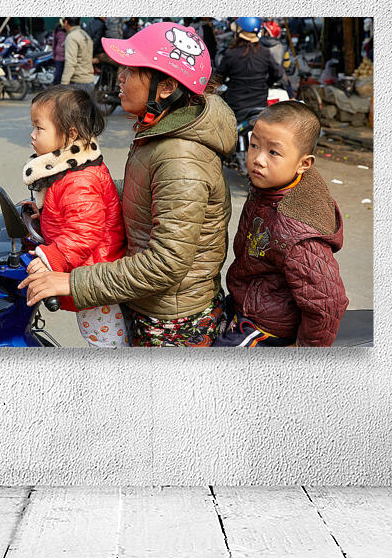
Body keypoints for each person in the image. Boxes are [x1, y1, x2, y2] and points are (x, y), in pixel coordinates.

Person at [20, 21, 237, 347]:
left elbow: (165, 264)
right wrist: (66, 201)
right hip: (147, 302)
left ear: (165, 87)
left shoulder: (181, 158)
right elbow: (144, 195)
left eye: (132, 70)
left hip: (171, 322)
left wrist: (72, 282)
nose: (119, 77)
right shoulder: (160, 134)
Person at [215, 101, 348, 347]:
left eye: (273, 152)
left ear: (303, 164)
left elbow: (327, 301)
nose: (258, 159)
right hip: (247, 300)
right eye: (254, 145)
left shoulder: (296, 228)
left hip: (268, 324)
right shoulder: (270, 188)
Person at [23, 86, 129, 347]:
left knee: (107, 344)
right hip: (88, 269)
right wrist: (44, 213)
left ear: (70, 134)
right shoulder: (71, 171)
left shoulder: (80, 180)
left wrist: (53, 257)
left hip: (95, 278)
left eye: (39, 128)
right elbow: (71, 214)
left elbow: (84, 231)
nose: (33, 135)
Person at [217, 17, 281, 122]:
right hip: (260, 104)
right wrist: (266, 84)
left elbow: (218, 77)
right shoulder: (265, 53)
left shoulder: (230, 54)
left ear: (238, 33)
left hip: (236, 106)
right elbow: (278, 73)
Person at [61, 18, 94, 93]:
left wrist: (64, 84)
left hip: (78, 82)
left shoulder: (71, 37)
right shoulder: (85, 34)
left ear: (66, 22)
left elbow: (70, 62)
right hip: (89, 80)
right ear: (79, 22)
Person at [51, 19, 67, 85]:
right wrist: (54, 54)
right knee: (58, 74)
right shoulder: (58, 29)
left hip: (68, 56)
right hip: (59, 57)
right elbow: (54, 42)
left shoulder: (70, 30)